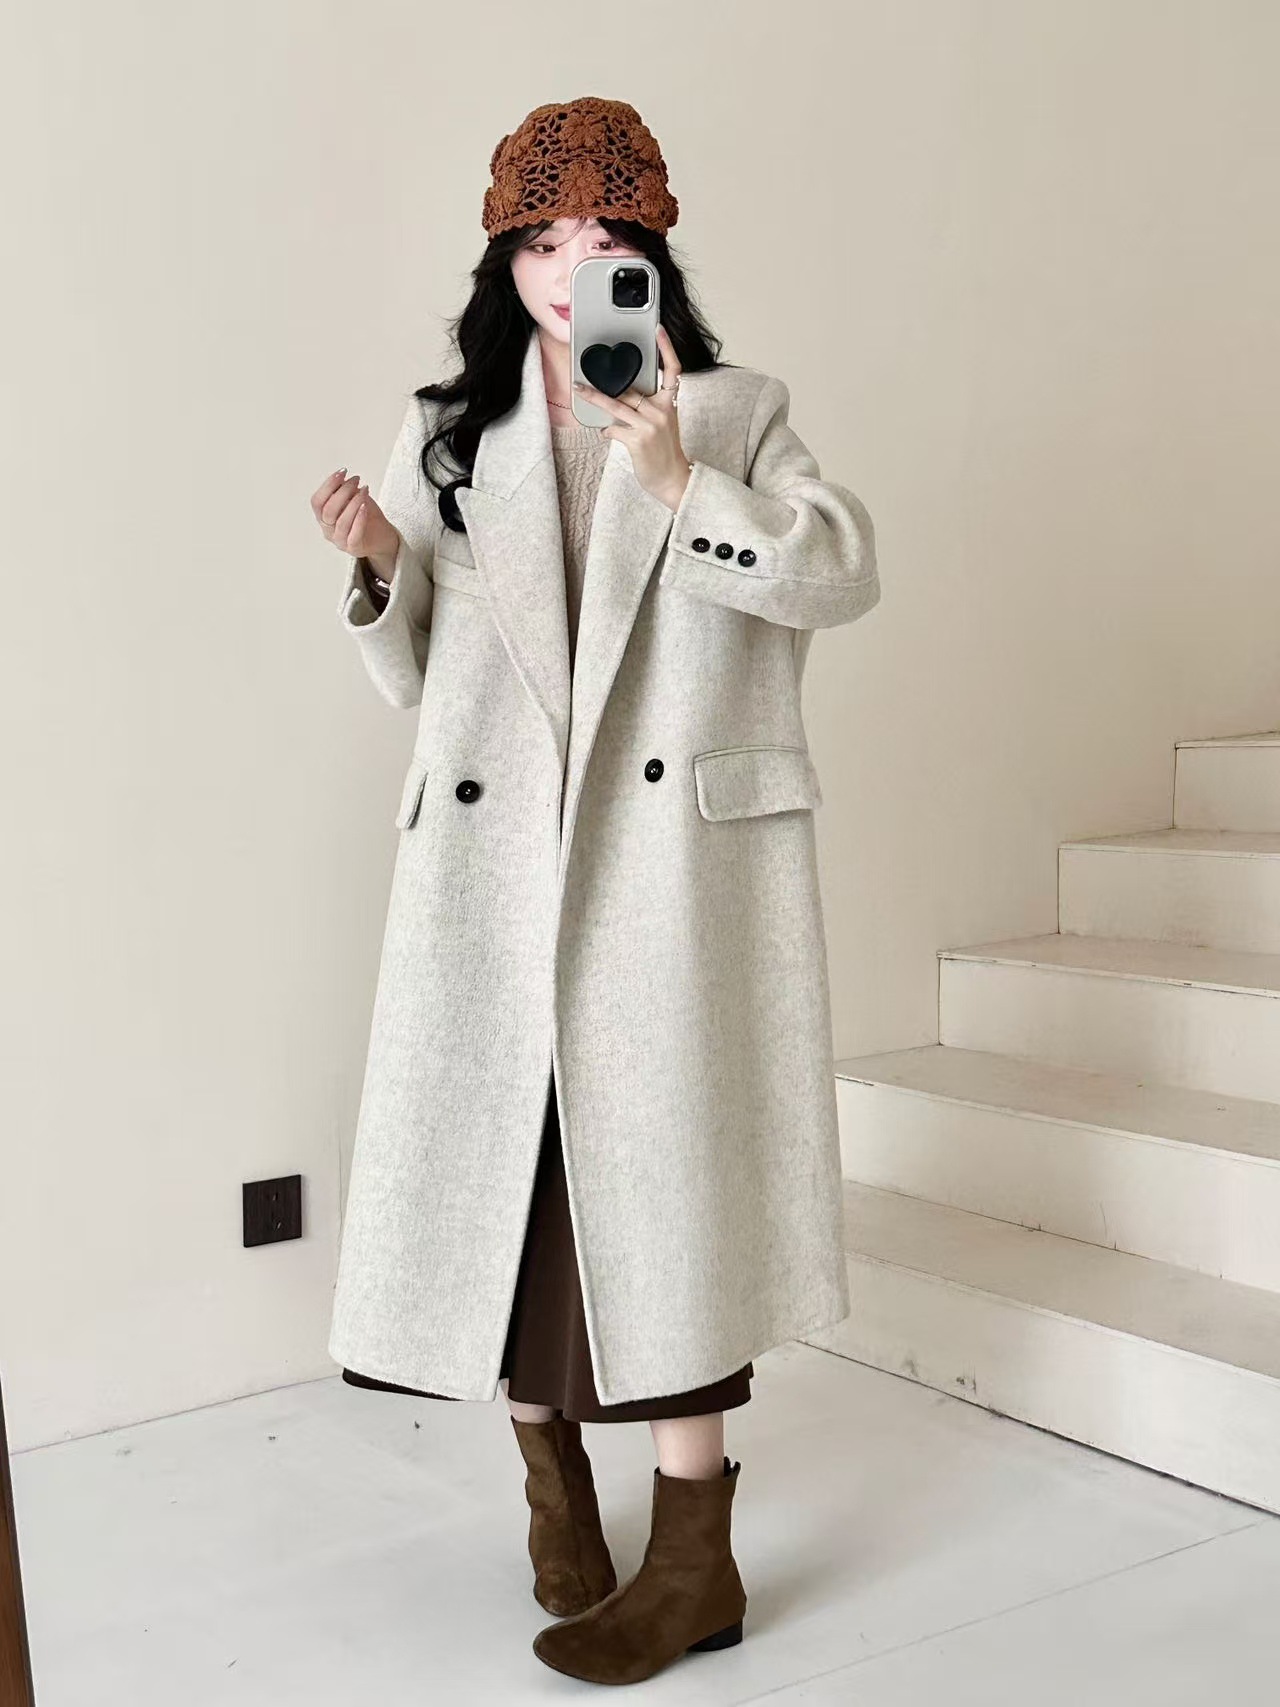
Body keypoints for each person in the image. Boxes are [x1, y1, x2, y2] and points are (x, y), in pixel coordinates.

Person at [309, 96, 880, 1687]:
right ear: (506, 262)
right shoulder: (455, 431)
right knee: (514, 1187)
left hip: (667, 876)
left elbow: (841, 571)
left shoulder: (733, 409)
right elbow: (413, 675)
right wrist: (379, 569)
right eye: (545, 239)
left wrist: (683, 480)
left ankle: (696, 1560)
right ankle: (552, 1480)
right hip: (499, 872)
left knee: (670, 1198)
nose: (575, 267)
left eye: (607, 237)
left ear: (652, 257)